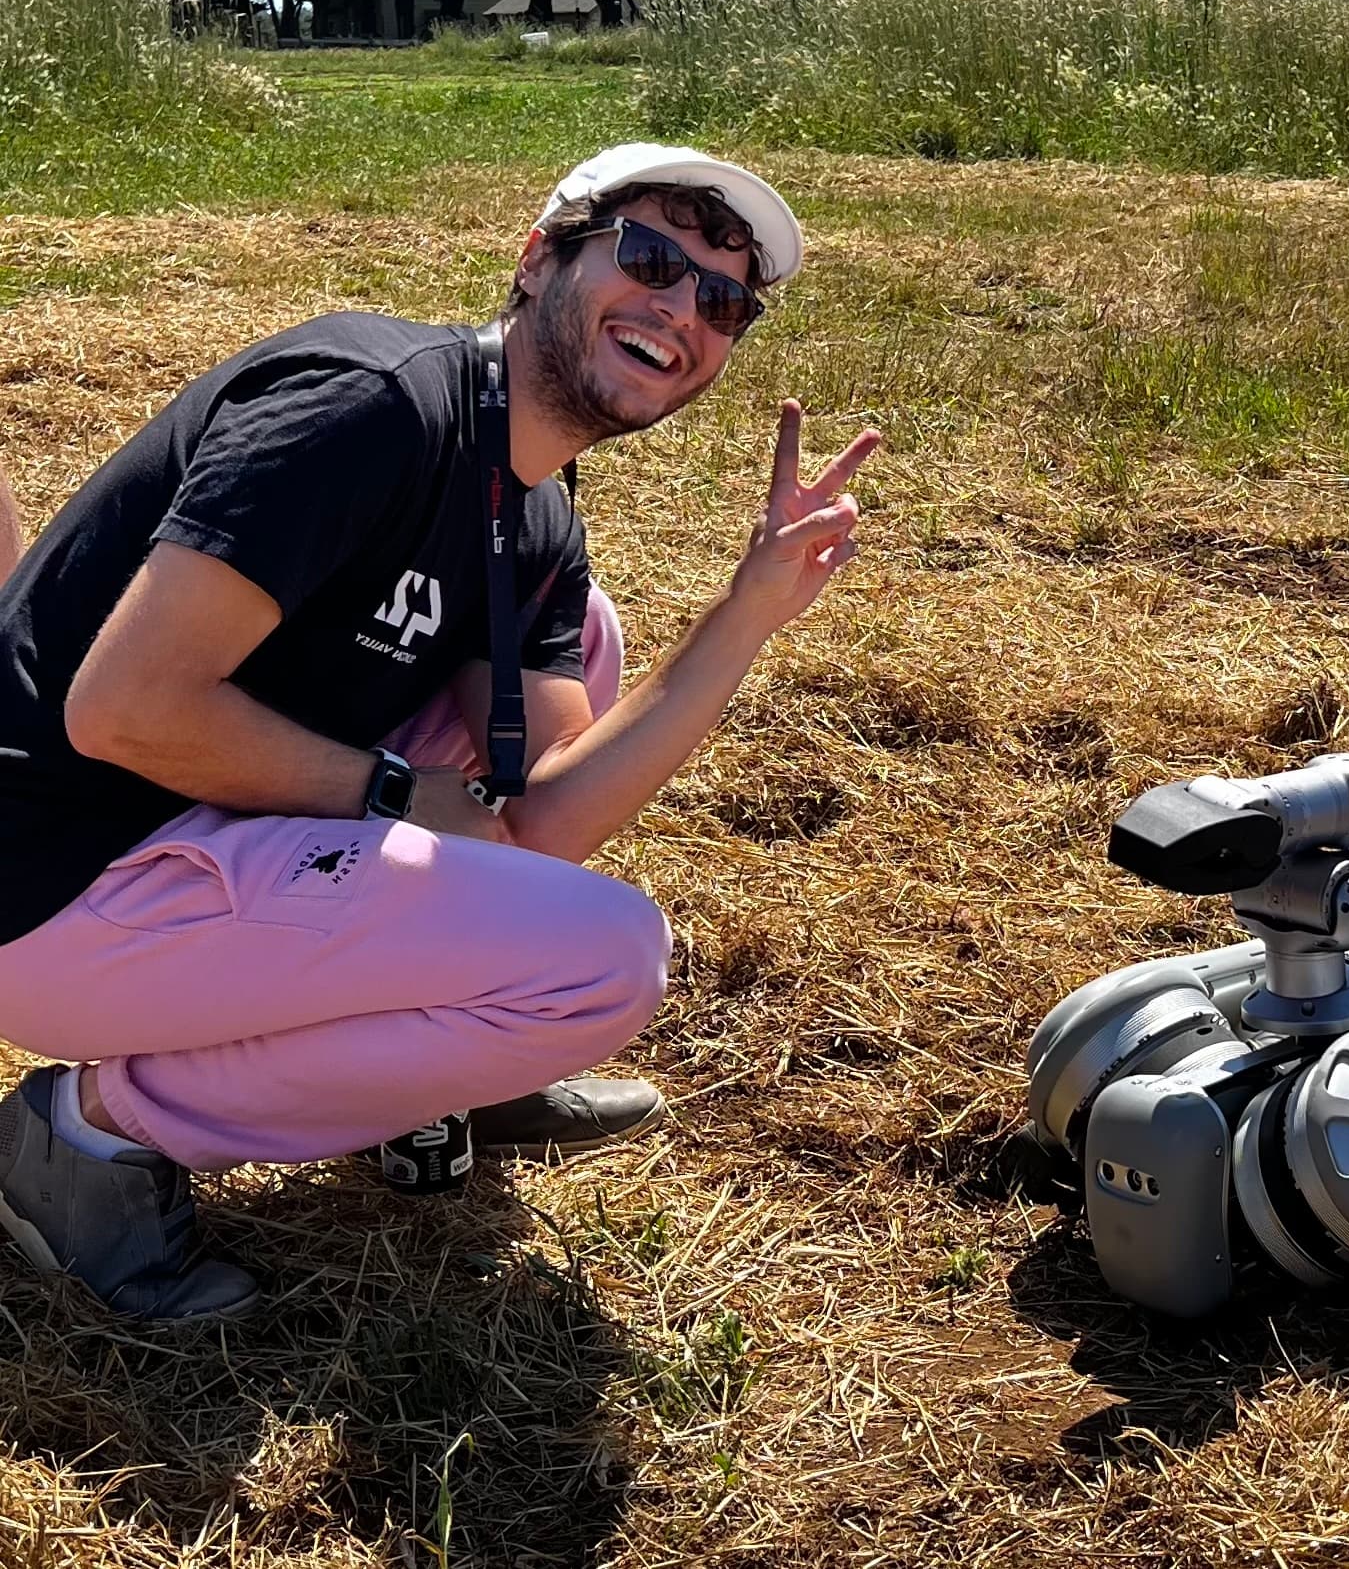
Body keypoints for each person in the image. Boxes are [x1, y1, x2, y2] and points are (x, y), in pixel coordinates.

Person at [0, 142, 879, 1323]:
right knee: (602, 960)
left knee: (592, 641)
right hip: (54, 883)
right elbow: (124, 708)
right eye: (651, 256)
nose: (681, 308)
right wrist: (388, 793)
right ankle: (83, 1135)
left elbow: (541, 813)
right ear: (537, 260)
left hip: (194, 833)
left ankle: (431, 1070)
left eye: (723, 299)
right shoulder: (370, 408)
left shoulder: (534, 514)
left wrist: (746, 613)